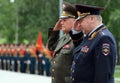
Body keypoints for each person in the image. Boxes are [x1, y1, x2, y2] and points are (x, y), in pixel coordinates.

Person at [70, 4, 117, 83]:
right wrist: (75, 31)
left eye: (81, 21)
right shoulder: (91, 36)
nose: (79, 24)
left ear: (92, 18)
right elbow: (79, 52)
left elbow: (102, 76)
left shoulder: (103, 39)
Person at [47, 2, 83, 83]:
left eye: (64, 20)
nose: (61, 23)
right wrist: (55, 31)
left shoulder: (79, 39)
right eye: (60, 20)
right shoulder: (64, 37)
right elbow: (51, 47)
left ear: (75, 21)